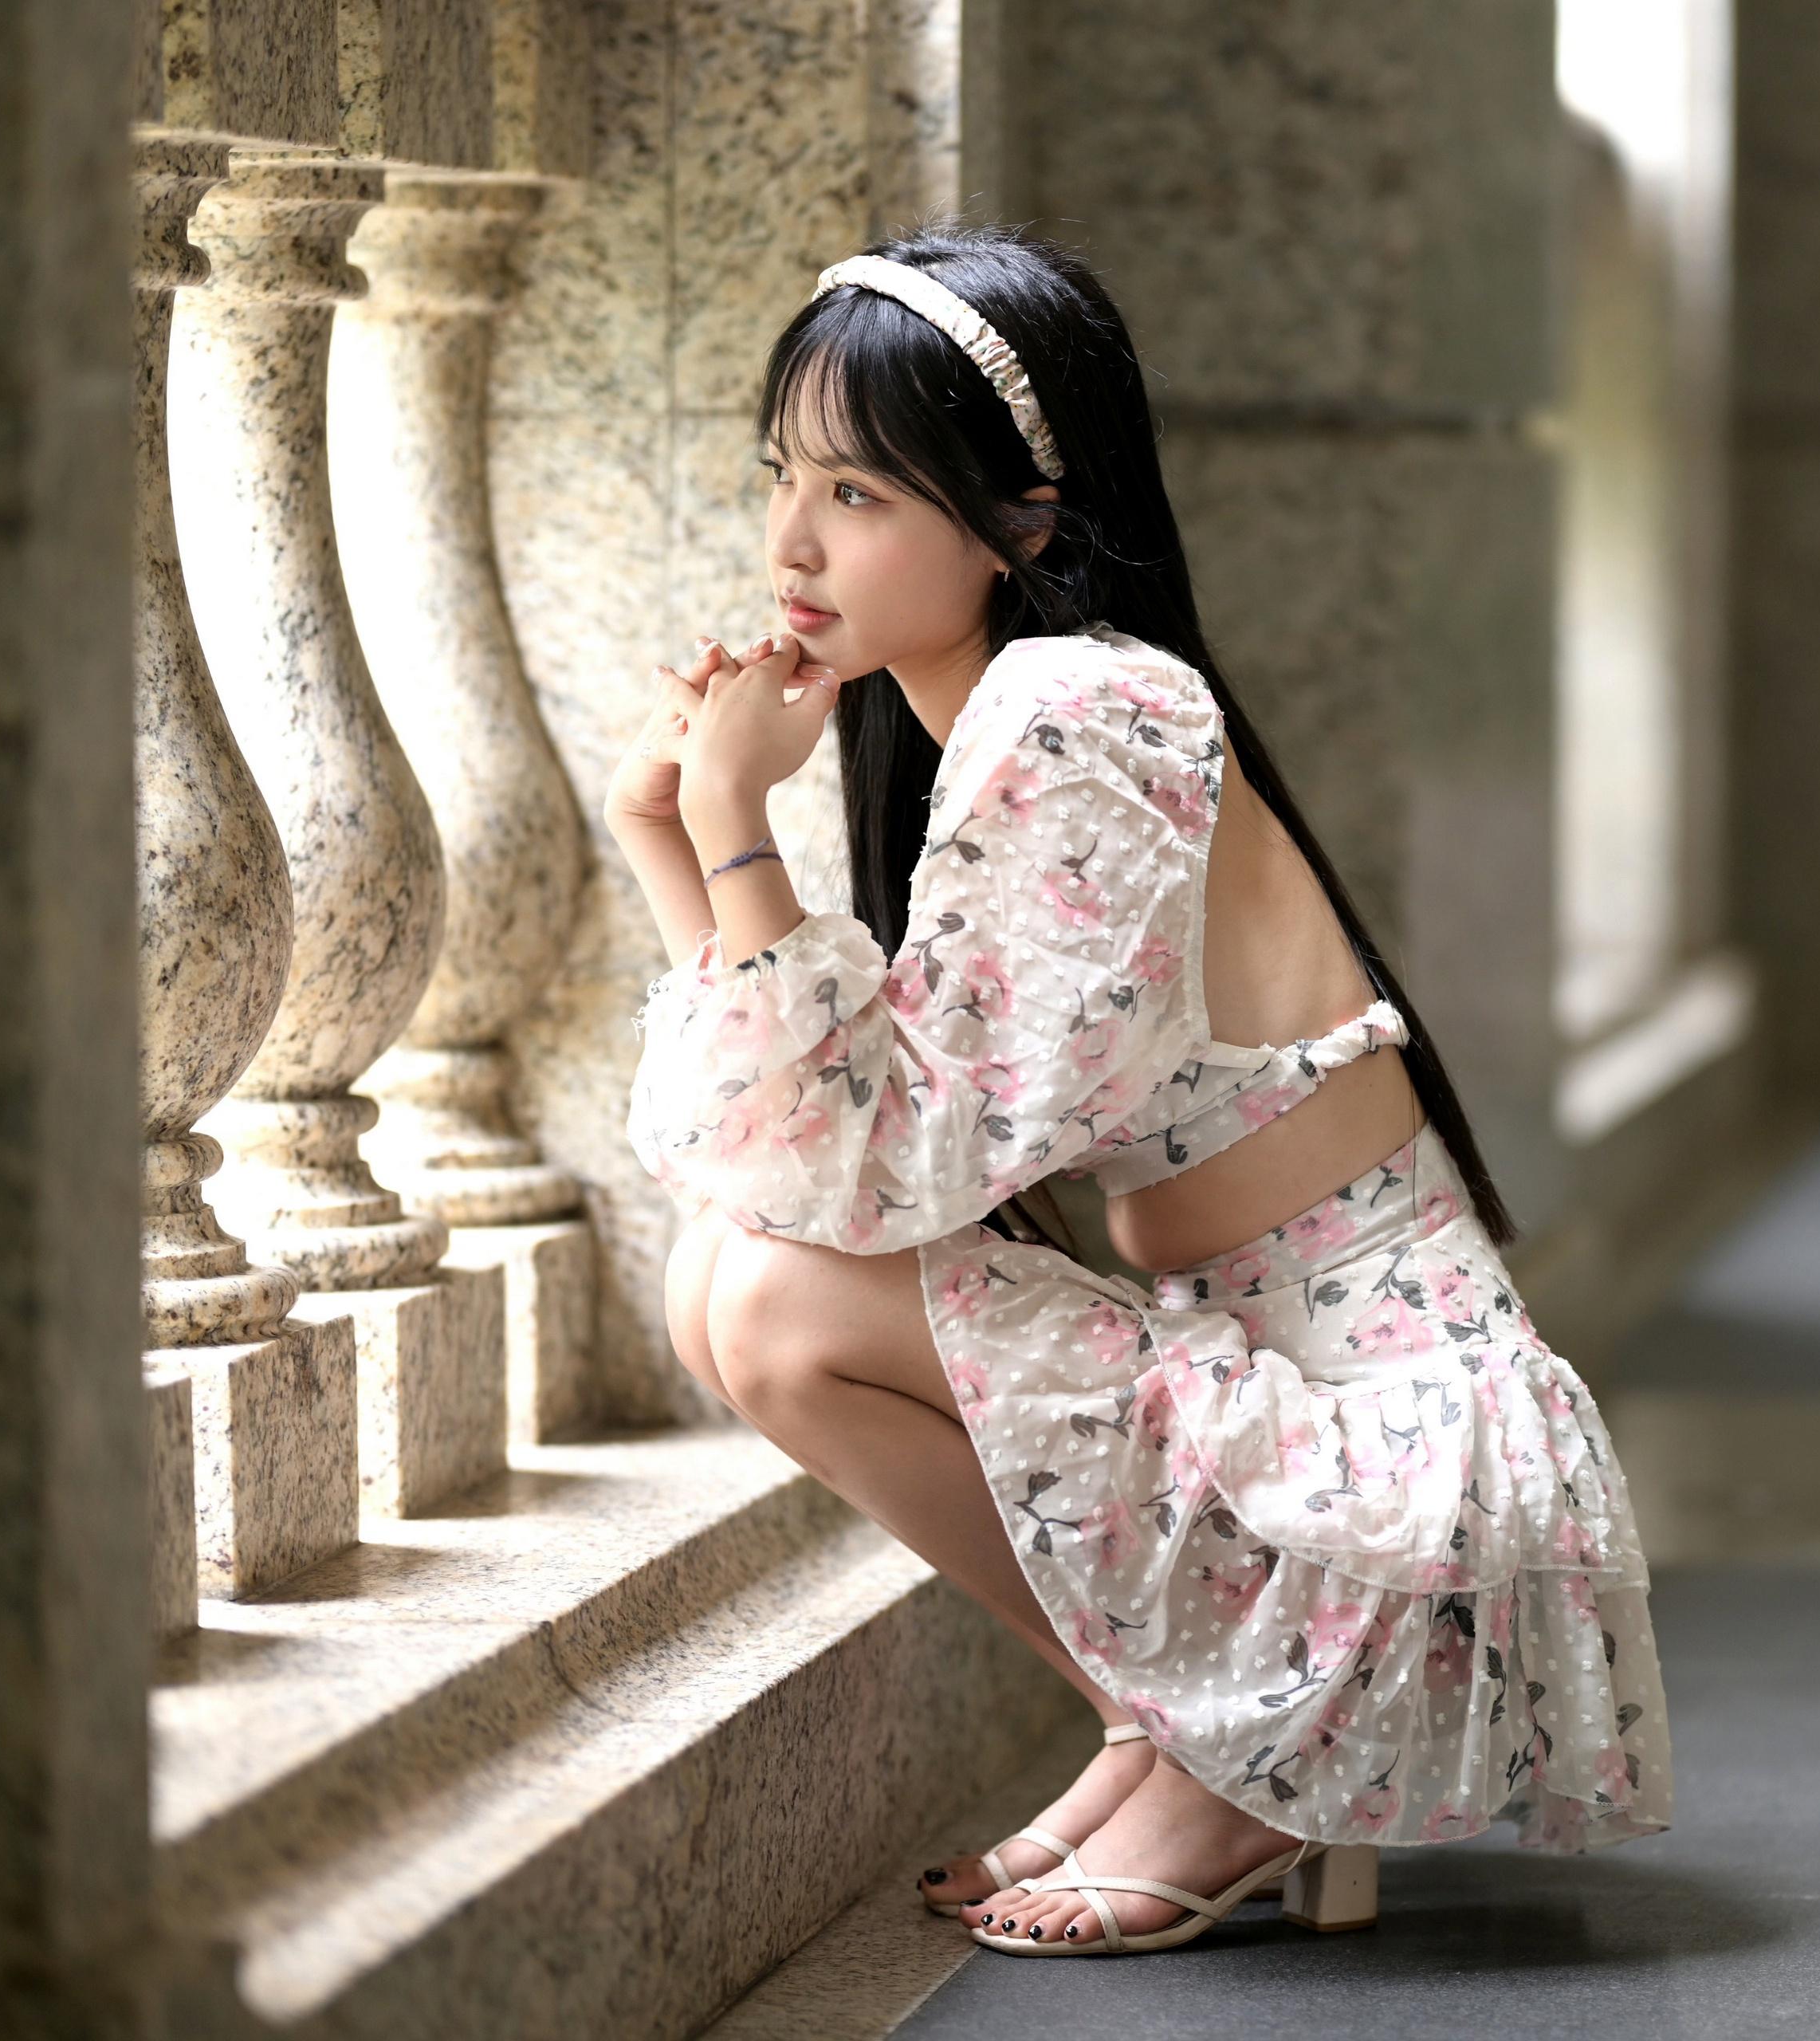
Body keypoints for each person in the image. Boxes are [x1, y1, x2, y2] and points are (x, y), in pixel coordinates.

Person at [608, 226, 1673, 1960]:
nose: (791, 541)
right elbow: (806, 1148)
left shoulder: (1083, 712)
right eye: (780, 474)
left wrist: (739, 825)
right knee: (723, 1276)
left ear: (1024, 521)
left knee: (773, 1295)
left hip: (1381, 1500)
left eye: (858, 493)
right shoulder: (1009, 720)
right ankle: (1165, 1723)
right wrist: (666, 832)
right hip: (1290, 1435)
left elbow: (885, 1168)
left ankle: (1235, 1757)